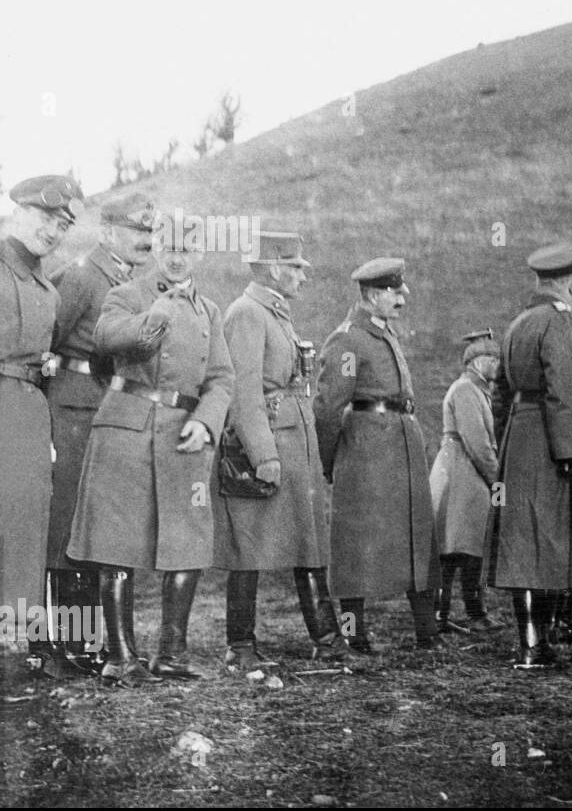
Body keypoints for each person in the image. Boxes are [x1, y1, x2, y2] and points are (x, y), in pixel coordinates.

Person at [66, 216, 234, 685]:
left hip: (184, 436)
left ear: (198, 251)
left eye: (187, 247)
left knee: (187, 542)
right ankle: (120, 657)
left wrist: (206, 421)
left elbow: (222, 379)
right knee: (116, 544)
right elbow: (109, 339)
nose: (178, 256)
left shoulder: (210, 311)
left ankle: (172, 657)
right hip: (127, 431)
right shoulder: (126, 294)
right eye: (169, 245)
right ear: (158, 247)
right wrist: (159, 313)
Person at [486, 242, 572, 671]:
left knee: (525, 543)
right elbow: (563, 393)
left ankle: (531, 647)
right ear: (569, 284)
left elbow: (500, 395)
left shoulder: (517, 325)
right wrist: (568, 452)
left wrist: (506, 443)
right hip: (567, 440)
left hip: (521, 440)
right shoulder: (561, 326)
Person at [213, 232, 350, 671]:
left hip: (295, 442)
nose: (303, 277)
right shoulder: (247, 313)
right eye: (295, 268)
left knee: (307, 542)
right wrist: (262, 454)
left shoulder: (273, 312)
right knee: (248, 549)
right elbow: (243, 389)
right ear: (273, 268)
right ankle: (240, 646)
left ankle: (327, 640)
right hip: (271, 445)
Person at [42, 193, 155, 678]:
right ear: (109, 233)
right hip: (71, 410)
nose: (146, 242)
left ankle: (89, 645)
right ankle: (60, 648)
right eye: (136, 232)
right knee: (67, 531)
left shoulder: (130, 283)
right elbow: (40, 339)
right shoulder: (82, 276)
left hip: (106, 410)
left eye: (150, 234)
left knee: (93, 531)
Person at [314, 258, 439, 653]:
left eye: (401, 289)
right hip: (366, 452)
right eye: (394, 291)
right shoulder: (348, 339)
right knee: (357, 547)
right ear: (370, 295)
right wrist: (332, 461)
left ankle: (427, 631)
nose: (403, 297)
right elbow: (327, 408)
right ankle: (354, 633)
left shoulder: (385, 334)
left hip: (402, 444)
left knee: (416, 536)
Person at [1, 175, 82, 673]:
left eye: (61, 225)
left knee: (26, 525)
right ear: (16, 212)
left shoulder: (48, 289)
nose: (51, 232)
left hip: (29, 411)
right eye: (43, 219)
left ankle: (15, 645)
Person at [429, 329, 504, 634]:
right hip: (462, 472)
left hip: (463, 472)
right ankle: (462, 614)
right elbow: (478, 443)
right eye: (491, 358)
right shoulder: (466, 391)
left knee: (462, 547)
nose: (497, 364)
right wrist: (497, 479)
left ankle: (446, 613)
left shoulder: (477, 390)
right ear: (475, 361)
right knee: (460, 549)